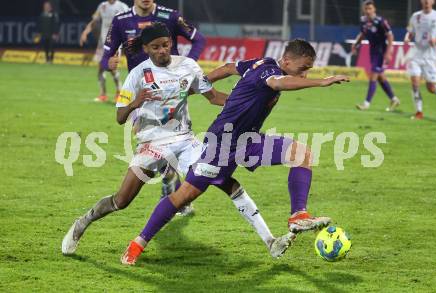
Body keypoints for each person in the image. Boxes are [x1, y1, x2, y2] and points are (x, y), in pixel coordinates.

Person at [62, 23, 293, 260]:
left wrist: (246, 103)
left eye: (165, 45)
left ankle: (270, 241)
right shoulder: (137, 75)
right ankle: (83, 223)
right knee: (122, 201)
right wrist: (136, 102)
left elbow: (212, 97)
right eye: (155, 47)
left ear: (171, 43)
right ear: (145, 48)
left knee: (224, 180)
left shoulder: (188, 66)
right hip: (151, 144)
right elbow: (120, 117)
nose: (162, 50)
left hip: (184, 140)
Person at [121, 39, 350, 265]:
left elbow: (230, 68)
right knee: (184, 196)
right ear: (287, 61)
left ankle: (298, 215)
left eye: (308, 71)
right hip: (221, 144)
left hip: (247, 141)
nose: (305, 75)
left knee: (301, 153)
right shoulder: (269, 71)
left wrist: (199, 84)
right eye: (303, 69)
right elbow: (278, 82)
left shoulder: (259, 62)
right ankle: (137, 244)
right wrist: (322, 82)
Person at [102, 0, 206, 212]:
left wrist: (187, 65)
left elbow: (199, 39)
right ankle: (173, 190)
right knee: (157, 145)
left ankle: (176, 195)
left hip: (172, 93)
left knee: (171, 141)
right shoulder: (121, 21)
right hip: (142, 97)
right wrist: (108, 63)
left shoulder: (170, 16)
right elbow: (107, 56)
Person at [352, 0, 400, 111]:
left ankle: (366, 103)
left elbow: (390, 36)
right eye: (366, 9)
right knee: (380, 77)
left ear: (374, 9)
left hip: (381, 51)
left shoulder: (381, 21)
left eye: (370, 8)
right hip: (372, 51)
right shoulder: (363, 21)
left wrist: (388, 52)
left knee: (373, 75)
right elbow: (363, 34)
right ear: (364, 10)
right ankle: (394, 99)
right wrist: (355, 44)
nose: (368, 11)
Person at [79, 0, 129, 103]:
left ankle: (119, 92)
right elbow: (94, 21)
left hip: (115, 43)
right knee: (100, 68)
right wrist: (85, 32)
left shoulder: (122, 6)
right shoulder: (102, 6)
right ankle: (103, 94)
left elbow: (130, 22)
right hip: (102, 43)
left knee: (112, 69)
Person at [405, 0, 436, 120]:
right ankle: (419, 111)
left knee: (431, 88)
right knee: (415, 83)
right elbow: (410, 32)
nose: (426, 1)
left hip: (430, 57)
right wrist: (407, 38)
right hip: (416, 55)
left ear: (433, 2)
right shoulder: (415, 16)